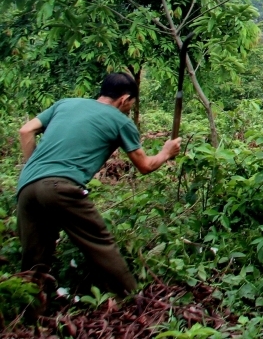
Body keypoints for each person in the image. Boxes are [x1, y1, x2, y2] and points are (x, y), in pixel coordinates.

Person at [17, 73, 182, 295]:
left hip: (27, 187)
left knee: (34, 262)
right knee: (100, 243)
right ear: (124, 99)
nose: (129, 110)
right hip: (61, 186)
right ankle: (132, 298)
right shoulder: (120, 121)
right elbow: (145, 166)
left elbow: (26, 130)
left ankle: (27, 307)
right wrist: (166, 152)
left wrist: (36, 169)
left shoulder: (65, 104)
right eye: (131, 104)